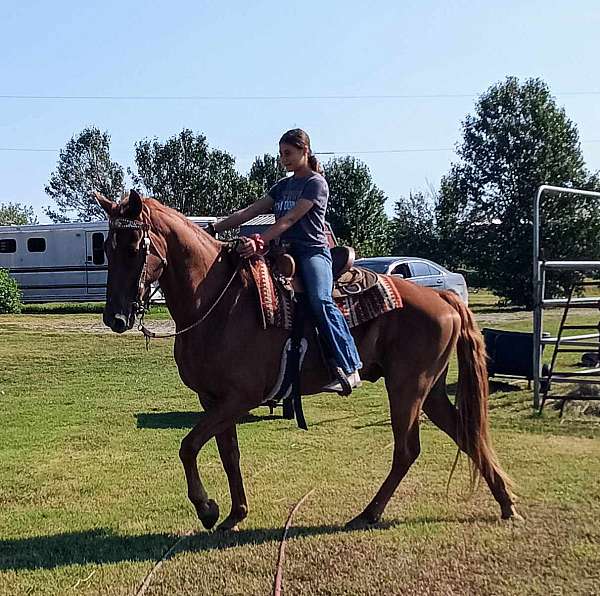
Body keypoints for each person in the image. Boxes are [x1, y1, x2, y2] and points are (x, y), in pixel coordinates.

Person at [211, 128, 362, 392]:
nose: (284, 159)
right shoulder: (282, 186)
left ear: (305, 151)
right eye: (281, 154)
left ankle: (350, 365)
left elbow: (290, 219)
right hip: (282, 253)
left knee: (320, 300)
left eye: (289, 153)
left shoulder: (315, 183)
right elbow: (249, 211)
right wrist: (214, 229)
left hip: (312, 251)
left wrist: (259, 242)